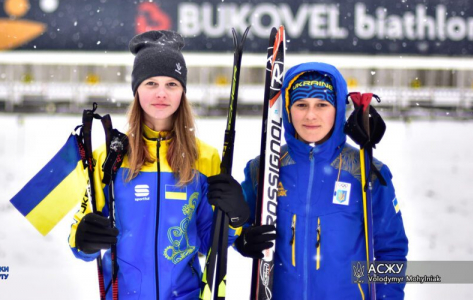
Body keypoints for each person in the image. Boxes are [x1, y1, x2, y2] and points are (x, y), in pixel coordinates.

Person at [68, 30, 250, 300]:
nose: (161, 93)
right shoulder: (109, 157)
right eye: (150, 83)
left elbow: (211, 241)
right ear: (136, 90)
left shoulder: (206, 158)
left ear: (182, 92)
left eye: (172, 84)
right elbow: (80, 241)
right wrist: (83, 239)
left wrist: (234, 219)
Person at [235, 62, 408, 299]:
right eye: (301, 104)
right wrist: (242, 239)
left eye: (322, 105)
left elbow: (391, 250)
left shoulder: (367, 172)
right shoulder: (264, 168)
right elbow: (235, 225)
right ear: (287, 109)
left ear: (337, 109)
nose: (310, 115)